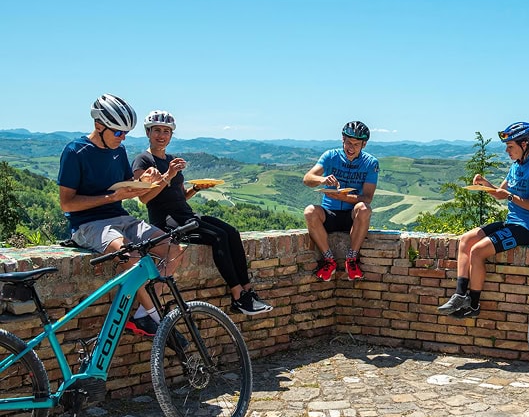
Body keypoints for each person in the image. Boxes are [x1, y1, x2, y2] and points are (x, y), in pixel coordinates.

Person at [57, 94, 183, 337]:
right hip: (87, 223)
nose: (123, 138)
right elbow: (67, 203)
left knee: (173, 249)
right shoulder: (75, 151)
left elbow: (127, 185)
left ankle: (143, 312)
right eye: (118, 133)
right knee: (130, 255)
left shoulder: (119, 150)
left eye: (125, 133)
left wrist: (146, 182)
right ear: (98, 126)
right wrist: (111, 198)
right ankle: (154, 315)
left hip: (120, 217)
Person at [131, 110, 273, 316]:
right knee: (218, 237)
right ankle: (237, 296)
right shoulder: (143, 161)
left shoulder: (171, 159)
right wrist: (169, 174)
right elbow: (144, 198)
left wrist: (196, 189)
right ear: (147, 132)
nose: (162, 135)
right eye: (157, 131)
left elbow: (179, 196)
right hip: (168, 222)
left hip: (186, 215)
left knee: (231, 232)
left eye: (166, 131)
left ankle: (248, 291)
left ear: (171, 135)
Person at [437, 122, 529, 318]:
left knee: (477, 251)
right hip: (512, 222)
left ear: (524, 145)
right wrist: (484, 184)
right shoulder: (514, 167)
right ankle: (460, 295)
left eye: (510, 146)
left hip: (526, 229)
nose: (507, 151)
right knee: (466, 240)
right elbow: (499, 193)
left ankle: (474, 305)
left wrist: (510, 197)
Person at [303, 121, 379, 281]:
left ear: (364, 145)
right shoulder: (330, 156)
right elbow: (307, 179)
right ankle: (328, 260)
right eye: (348, 143)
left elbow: (367, 198)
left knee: (364, 208)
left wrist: (344, 197)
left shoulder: (371, 163)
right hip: (329, 213)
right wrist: (323, 179)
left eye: (356, 144)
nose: (351, 148)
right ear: (342, 139)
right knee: (310, 211)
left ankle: (351, 259)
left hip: (352, 216)